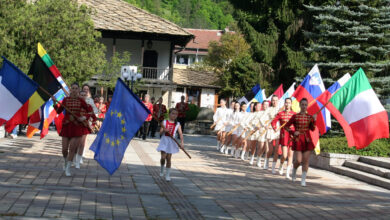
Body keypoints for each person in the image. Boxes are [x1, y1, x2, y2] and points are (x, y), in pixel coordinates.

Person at [54, 83, 92, 176]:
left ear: (78, 90)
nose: (74, 90)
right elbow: (58, 111)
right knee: (64, 149)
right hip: (67, 126)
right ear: (70, 90)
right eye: (73, 88)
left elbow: (90, 111)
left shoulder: (81, 101)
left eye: (76, 88)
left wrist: (84, 117)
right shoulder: (66, 100)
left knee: (72, 149)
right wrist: (54, 103)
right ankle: (66, 161)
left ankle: (68, 168)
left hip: (76, 127)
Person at [284, 98, 317, 186]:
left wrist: (314, 120)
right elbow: (286, 126)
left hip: (307, 139)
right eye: (302, 104)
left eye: (305, 105)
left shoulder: (309, 117)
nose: (304, 106)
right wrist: (293, 132)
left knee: (305, 160)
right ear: (299, 105)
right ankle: (294, 170)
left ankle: (303, 180)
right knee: (298, 160)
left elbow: (313, 129)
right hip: (298, 139)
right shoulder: (295, 116)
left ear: (307, 106)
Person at [157, 108, 184, 181]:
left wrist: (182, 143)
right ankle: (162, 169)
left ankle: (168, 175)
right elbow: (160, 132)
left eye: (176, 114)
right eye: (173, 113)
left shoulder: (177, 124)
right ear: (169, 114)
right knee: (163, 157)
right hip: (164, 141)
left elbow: (180, 134)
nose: (174, 115)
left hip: (171, 142)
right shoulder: (164, 122)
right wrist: (164, 130)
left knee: (168, 158)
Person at [271, 98, 296, 178]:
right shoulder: (280, 113)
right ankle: (281, 164)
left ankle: (287, 173)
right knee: (284, 155)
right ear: (284, 104)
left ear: (291, 104)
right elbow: (273, 121)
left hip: (292, 135)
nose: (287, 104)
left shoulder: (294, 114)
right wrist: (275, 128)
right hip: (284, 135)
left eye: (289, 103)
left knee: (290, 155)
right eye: (286, 103)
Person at [76, 90, 97, 169]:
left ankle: (78, 161)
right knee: (75, 144)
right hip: (75, 126)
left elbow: (94, 117)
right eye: (81, 95)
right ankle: (74, 158)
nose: (83, 96)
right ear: (79, 95)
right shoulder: (76, 105)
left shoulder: (89, 106)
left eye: (84, 95)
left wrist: (92, 125)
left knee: (81, 144)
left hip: (84, 126)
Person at [265, 95, 281, 172]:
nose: (275, 102)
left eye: (276, 100)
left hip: (278, 130)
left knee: (276, 149)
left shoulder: (281, 109)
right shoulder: (268, 109)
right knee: (270, 150)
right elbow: (264, 119)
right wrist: (266, 126)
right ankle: (267, 162)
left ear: (278, 101)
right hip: (270, 130)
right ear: (271, 101)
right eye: (273, 100)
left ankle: (273, 167)